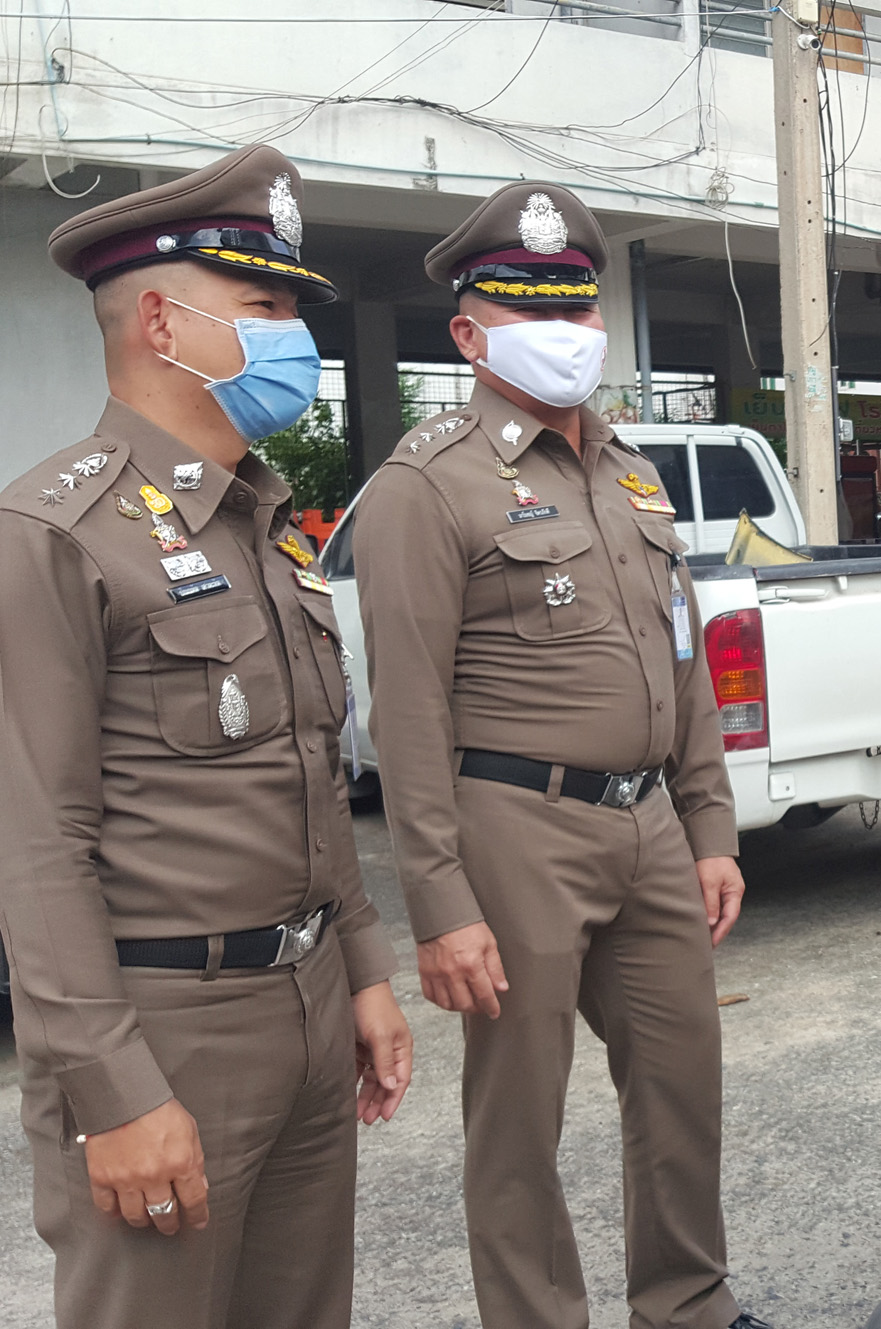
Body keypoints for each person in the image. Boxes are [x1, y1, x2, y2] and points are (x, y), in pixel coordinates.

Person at [0, 144, 412, 1329]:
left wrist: (362, 972)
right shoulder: (56, 534)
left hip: (305, 1002)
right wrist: (114, 1091)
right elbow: (36, 848)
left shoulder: (262, 527)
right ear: (159, 323)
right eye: (264, 307)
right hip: (166, 1027)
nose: (295, 337)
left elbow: (310, 780)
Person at [350, 182, 767, 1329]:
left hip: (649, 825)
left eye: (577, 308)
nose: (565, 332)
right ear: (468, 333)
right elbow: (407, 713)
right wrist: (439, 904)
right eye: (530, 310)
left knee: (681, 1085)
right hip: (515, 830)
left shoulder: (631, 470)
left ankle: (687, 1305)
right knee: (519, 1121)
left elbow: (682, 661)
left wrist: (710, 828)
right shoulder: (425, 485)